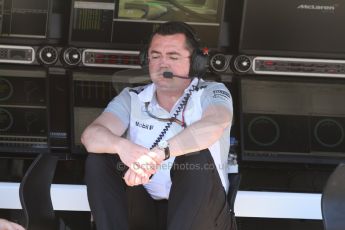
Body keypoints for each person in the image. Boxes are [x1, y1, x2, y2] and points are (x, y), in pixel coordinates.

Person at [82, 21, 234, 230]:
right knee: (99, 159)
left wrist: (160, 154)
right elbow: (90, 136)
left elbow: (215, 124)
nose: (163, 64)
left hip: (204, 215)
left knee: (196, 156)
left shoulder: (211, 91)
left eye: (173, 57)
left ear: (196, 62)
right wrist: (122, 147)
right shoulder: (132, 97)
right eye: (155, 57)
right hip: (146, 209)